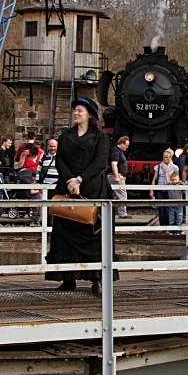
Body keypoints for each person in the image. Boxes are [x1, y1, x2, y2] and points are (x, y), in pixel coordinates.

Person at [45, 98, 115, 295]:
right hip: (68, 188)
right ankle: (67, 278)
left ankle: (97, 279)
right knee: (65, 233)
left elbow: (100, 161)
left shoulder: (100, 137)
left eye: (80, 111)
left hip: (93, 188)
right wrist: (70, 181)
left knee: (95, 236)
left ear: (90, 114)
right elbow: (60, 160)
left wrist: (80, 180)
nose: (76, 113)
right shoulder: (66, 136)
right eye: (75, 110)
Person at [151, 149, 180, 226]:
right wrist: (151, 190)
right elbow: (155, 179)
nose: (165, 159)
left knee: (167, 208)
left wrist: (173, 183)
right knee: (161, 208)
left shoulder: (175, 168)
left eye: (167, 157)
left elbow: (178, 179)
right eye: (164, 157)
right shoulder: (158, 167)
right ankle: (162, 225)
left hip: (169, 189)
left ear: (170, 158)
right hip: (159, 189)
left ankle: (167, 226)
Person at [35, 139, 59, 225]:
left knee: (56, 206)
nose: (52, 148)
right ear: (48, 146)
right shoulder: (43, 156)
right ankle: (47, 224)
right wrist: (38, 184)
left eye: (54, 146)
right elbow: (38, 169)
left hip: (57, 185)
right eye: (51, 146)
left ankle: (54, 225)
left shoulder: (61, 156)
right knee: (47, 206)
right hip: (46, 185)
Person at [108, 136, 130, 218]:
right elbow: (114, 164)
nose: (127, 148)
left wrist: (123, 175)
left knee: (114, 194)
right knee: (122, 195)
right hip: (115, 176)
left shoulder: (118, 151)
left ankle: (112, 212)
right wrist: (117, 176)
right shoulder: (115, 152)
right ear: (121, 143)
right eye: (126, 145)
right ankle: (122, 213)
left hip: (118, 175)